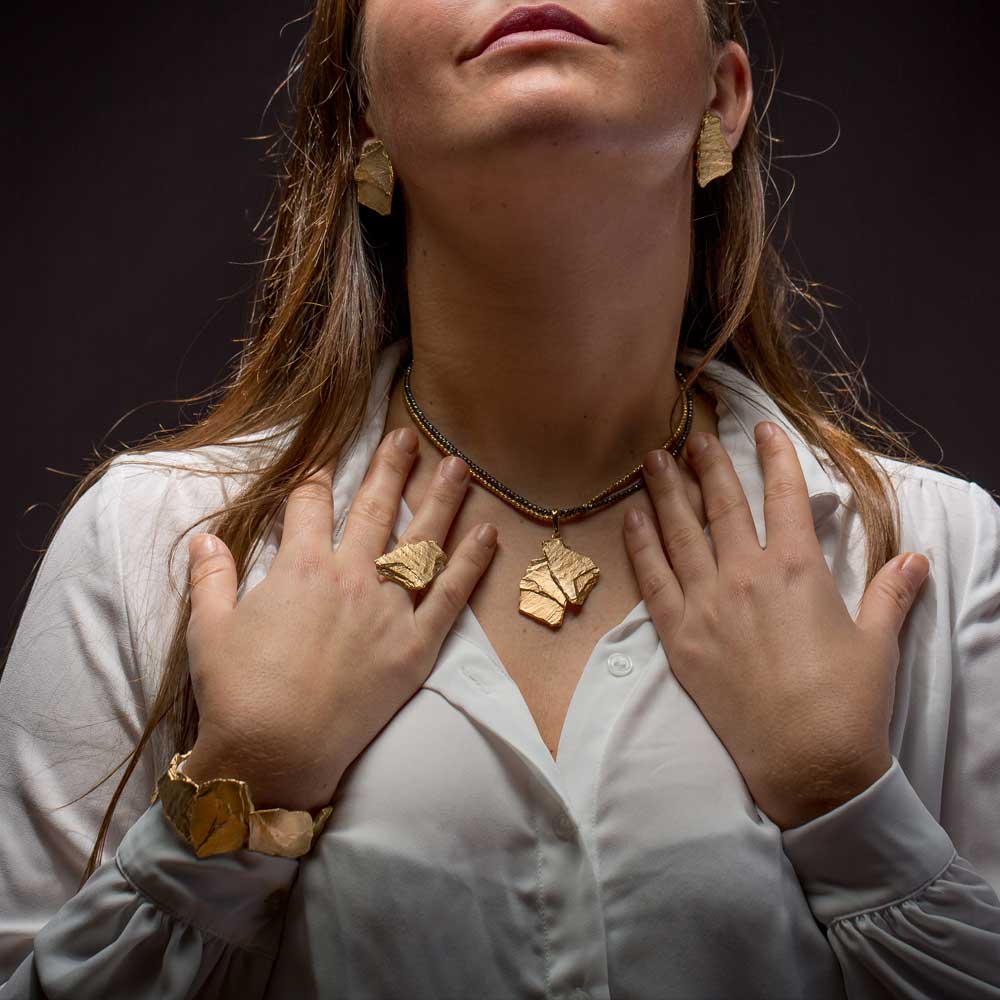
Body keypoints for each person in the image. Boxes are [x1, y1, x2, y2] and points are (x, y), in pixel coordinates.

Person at [2, 0, 999, 997]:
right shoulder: (154, 540)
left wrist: (847, 806)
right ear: (359, 123)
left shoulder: (939, 553)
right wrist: (243, 789)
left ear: (722, 97)